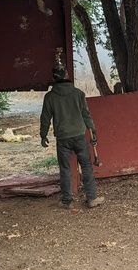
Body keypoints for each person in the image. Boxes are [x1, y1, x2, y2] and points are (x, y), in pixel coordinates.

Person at [40, 65, 104, 210]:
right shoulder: (78, 94)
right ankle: (92, 198)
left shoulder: (50, 97)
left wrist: (43, 135)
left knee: (65, 169)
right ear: (67, 75)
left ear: (54, 78)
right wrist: (93, 130)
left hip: (63, 139)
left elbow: (45, 118)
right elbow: (86, 115)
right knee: (87, 166)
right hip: (79, 136)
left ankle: (67, 201)